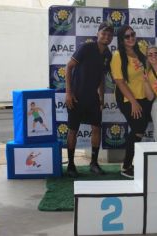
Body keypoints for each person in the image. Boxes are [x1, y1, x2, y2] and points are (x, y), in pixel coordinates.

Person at [65, 22, 114, 178]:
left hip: (93, 98)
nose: (106, 36)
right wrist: (68, 93)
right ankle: (71, 165)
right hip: (76, 96)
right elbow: (69, 66)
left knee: (96, 129)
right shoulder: (86, 48)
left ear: (112, 38)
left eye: (109, 35)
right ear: (98, 34)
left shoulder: (108, 54)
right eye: (103, 33)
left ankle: (94, 163)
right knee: (73, 130)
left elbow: (102, 77)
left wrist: (101, 97)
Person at [110, 25, 151, 178]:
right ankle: (126, 166)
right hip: (127, 98)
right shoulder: (117, 56)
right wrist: (133, 102)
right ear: (121, 39)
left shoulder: (141, 46)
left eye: (132, 34)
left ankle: (129, 164)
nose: (131, 38)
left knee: (138, 130)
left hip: (145, 95)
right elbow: (120, 82)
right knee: (138, 128)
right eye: (127, 36)